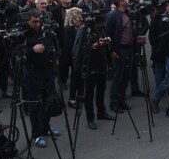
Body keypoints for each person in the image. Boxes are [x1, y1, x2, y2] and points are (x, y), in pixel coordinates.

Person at [23, 9, 61, 147]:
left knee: (48, 101)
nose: (37, 24)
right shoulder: (24, 34)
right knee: (34, 105)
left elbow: (56, 44)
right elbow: (17, 52)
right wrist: (32, 50)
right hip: (33, 74)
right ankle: (37, 134)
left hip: (48, 72)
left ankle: (46, 128)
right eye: (34, 21)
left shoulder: (46, 30)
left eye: (39, 21)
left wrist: (56, 57)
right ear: (28, 20)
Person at [70, 8, 113, 130]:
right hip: (89, 66)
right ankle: (90, 118)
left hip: (102, 64)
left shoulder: (101, 28)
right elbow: (79, 50)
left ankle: (101, 112)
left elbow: (105, 41)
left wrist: (106, 42)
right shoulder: (84, 30)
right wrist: (93, 46)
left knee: (101, 90)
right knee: (88, 94)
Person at [103, 0, 137, 113]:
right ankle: (114, 103)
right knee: (118, 77)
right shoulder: (112, 15)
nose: (129, 0)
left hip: (129, 48)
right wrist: (111, 50)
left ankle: (122, 100)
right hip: (119, 49)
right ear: (121, 2)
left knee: (126, 76)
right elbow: (107, 34)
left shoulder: (127, 13)